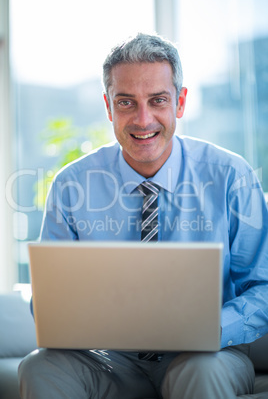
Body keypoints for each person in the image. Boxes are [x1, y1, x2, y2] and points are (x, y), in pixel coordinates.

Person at [18, 33, 268, 399]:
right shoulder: (72, 185)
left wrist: (208, 328)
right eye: (126, 102)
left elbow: (263, 287)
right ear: (108, 107)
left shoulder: (232, 176)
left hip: (206, 354)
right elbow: (47, 301)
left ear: (179, 103)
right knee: (40, 366)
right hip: (110, 360)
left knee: (200, 369)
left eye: (158, 100)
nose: (143, 119)